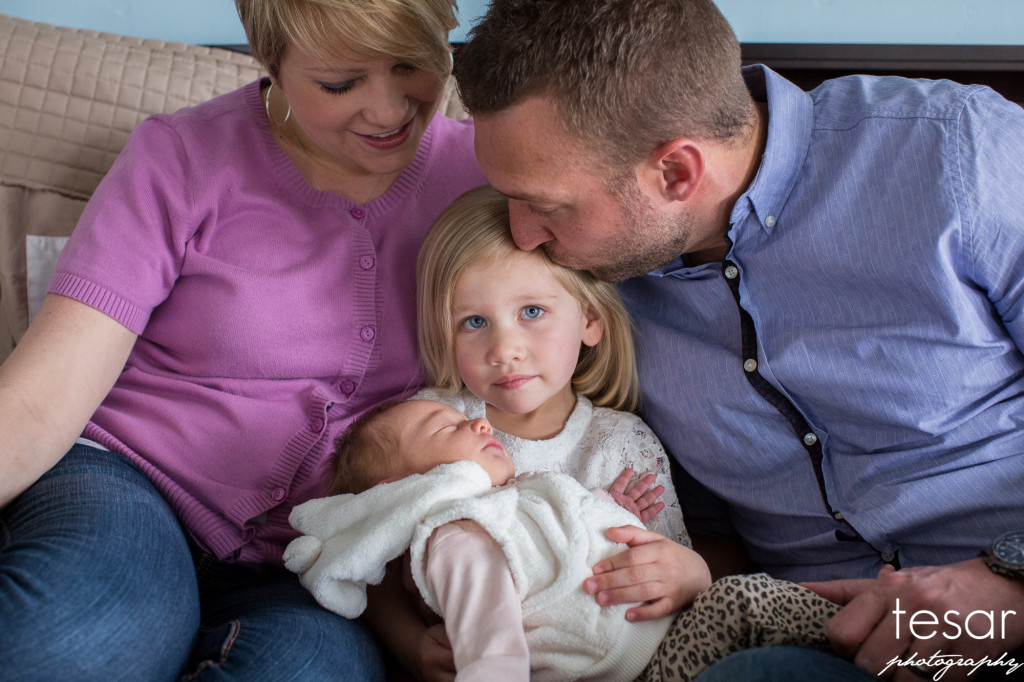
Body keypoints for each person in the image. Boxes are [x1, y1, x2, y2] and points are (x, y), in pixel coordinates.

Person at [454, 0, 1024, 680]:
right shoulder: (588, 292)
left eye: (546, 206)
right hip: (816, 640)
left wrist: (1009, 579)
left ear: (676, 173)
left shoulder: (956, 155)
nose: (523, 235)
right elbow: (704, 539)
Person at [0, 0, 486, 678]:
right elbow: (38, 400)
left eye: (413, 64)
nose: (387, 110)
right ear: (272, 60)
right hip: (133, 487)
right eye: (340, 83)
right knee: (81, 637)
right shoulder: (180, 156)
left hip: (318, 562)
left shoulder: (484, 179)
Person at [285, 398, 842, 682]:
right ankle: (912, 645)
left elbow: (561, 548)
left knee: (780, 618)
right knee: (750, 604)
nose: (477, 424)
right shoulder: (456, 539)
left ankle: (908, 643)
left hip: (666, 631)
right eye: (446, 428)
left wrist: (609, 512)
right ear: (403, 489)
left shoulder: (510, 502)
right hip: (649, 663)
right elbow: (490, 645)